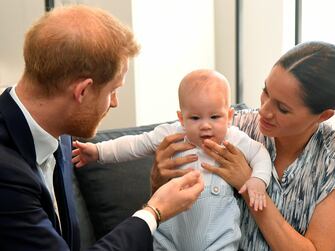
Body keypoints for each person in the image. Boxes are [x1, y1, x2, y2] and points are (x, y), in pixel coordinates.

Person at [0, 5, 204, 251]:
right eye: (113, 91)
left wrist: (155, 196)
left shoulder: (60, 132)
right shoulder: (7, 173)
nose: (115, 103)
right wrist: (154, 212)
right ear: (83, 91)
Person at [150, 41, 335, 251]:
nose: (264, 111)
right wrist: (158, 179)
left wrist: (249, 185)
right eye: (266, 91)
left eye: (282, 108)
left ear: (323, 116)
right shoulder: (231, 128)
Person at [72, 69, 272, 250]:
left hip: (218, 241)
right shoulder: (171, 134)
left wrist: (257, 181)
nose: (205, 126)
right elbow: (135, 145)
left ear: (229, 116)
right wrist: (98, 151)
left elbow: (260, 154)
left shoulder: (234, 138)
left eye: (214, 117)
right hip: (170, 240)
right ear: (181, 118)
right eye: (195, 118)